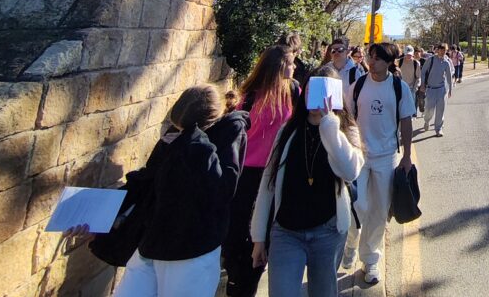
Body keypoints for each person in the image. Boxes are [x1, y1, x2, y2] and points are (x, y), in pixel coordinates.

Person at [114, 85, 249, 297]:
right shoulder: (176, 134)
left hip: (193, 251)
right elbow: (148, 179)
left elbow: (221, 190)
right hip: (153, 244)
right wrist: (103, 214)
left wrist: (194, 142)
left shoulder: (228, 133)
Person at [250, 74, 364, 297]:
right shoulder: (288, 131)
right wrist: (259, 238)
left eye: (323, 91)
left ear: (335, 94)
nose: (315, 97)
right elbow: (268, 184)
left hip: (328, 233)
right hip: (286, 232)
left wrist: (329, 125)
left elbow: (350, 172)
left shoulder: (346, 130)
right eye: (311, 90)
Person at [223, 46, 300, 297]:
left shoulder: (291, 91)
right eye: (291, 63)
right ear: (280, 66)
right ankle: (237, 279)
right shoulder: (249, 96)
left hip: (273, 173)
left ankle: (245, 281)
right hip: (248, 174)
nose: (295, 67)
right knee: (241, 232)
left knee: (260, 234)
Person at [342, 42, 415, 285]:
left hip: (387, 157)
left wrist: (407, 156)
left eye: (377, 59)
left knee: (379, 210)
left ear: (389, 62)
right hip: (359, 155)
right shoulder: (358, 85)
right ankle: (351, 243)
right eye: (370, 57)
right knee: (356, 204)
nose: (371, 62)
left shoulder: (399, 88)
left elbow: (406, 121)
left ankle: (371, 260)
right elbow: (346, 117)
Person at [418, 43, 453, 137]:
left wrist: (450, 90)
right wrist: (422, 84)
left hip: (441, 90)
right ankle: (427, 121)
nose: (442, 52)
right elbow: (423, 71)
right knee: (429, 109)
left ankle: (438, 129)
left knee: (440, 110)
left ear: (446, 51)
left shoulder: (446, 62)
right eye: (441, 50)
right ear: (437, 50)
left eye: (444, 50)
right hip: (430, 89)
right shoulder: (431, 60)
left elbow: (449, 77)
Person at [399, 46, 422, 115]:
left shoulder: (416, 63)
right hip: (400, 88)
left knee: (410, 109)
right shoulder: (399, 62)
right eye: (407, 54)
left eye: (410, 54)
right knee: (400, 107)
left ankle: (410, 117)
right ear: (404, 53)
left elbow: (418, 77)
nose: (409, 56)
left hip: (411, 88)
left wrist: (415, 87)